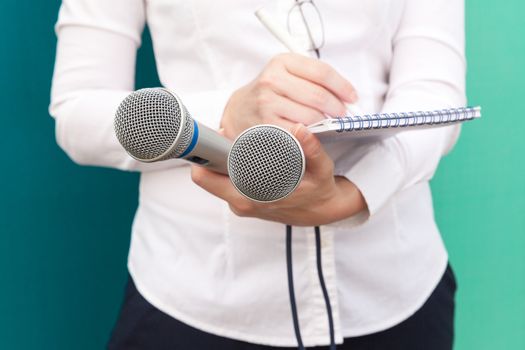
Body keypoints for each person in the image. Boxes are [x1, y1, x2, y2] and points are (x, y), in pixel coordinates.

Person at [50, 0, 463, 349]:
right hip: (195, 302)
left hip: (396, 294)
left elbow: (435, 94)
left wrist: (356, 193)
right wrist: (226, 114)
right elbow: (77, 113)